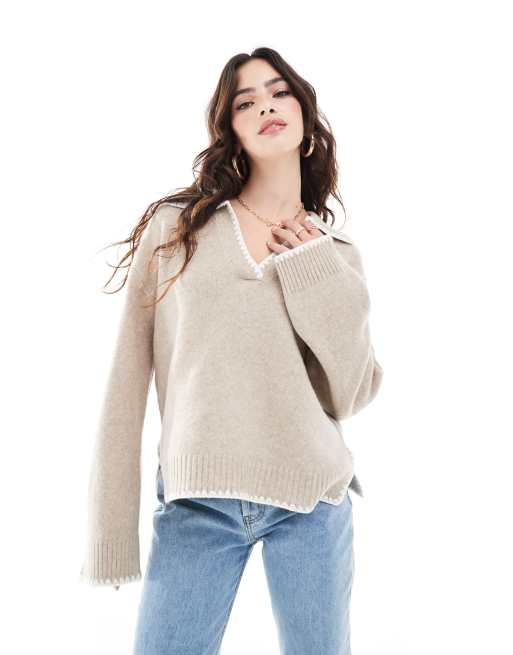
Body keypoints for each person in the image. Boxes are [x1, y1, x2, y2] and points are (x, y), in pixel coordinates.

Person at [80, 46, 384, 655]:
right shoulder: (178, 230)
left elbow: (349, 394)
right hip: (198, 502)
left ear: (305, 121)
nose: (266, 106)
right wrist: (111, 532)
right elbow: (125, 381)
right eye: (246, 102)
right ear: (231, 130)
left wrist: (313, 269)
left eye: (279, 92)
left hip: (312, 501)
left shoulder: (335, 253)